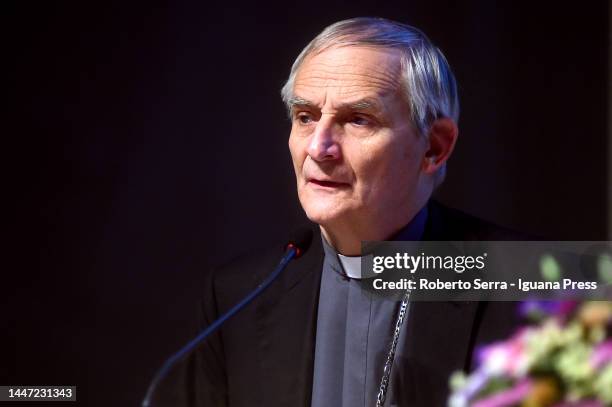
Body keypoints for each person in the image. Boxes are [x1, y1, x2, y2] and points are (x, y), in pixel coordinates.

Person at [156, 17, 521, 407]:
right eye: (305, 117)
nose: (319, 147)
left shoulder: (536, 286)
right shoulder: (236, 297)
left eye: (358, 120)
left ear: (434, 146)